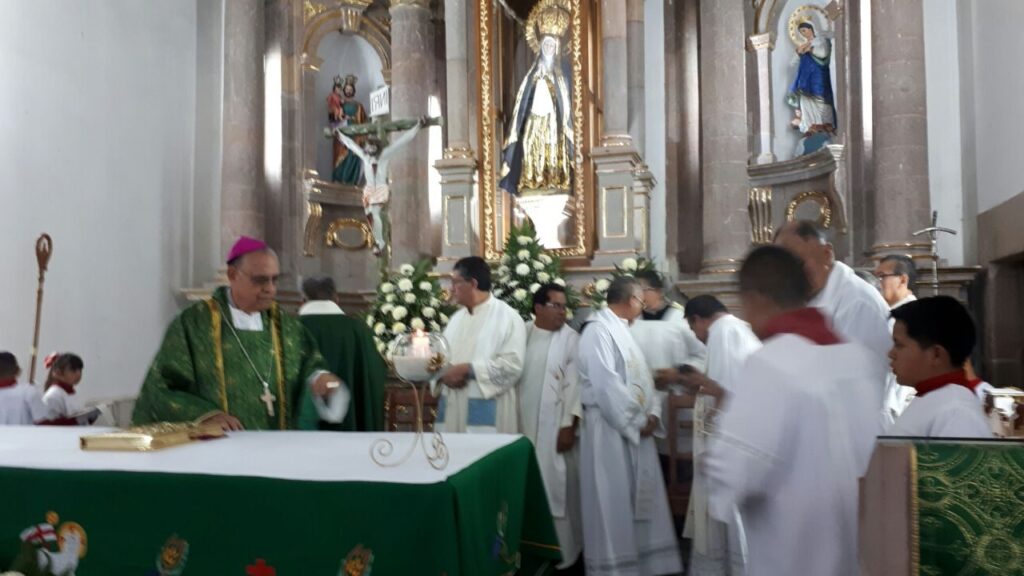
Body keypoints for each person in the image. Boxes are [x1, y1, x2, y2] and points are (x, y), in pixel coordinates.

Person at [704, 246, 882, 576]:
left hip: (793, 551)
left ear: (754, 297)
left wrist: (714, 466)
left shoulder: (771, 363)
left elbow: (737, 470)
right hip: (854, 547)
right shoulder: (859, 360)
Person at [132, 236, 349, 431]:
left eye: (275, 279)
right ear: (232, 275)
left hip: (278, 450)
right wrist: (205, 415)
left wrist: (322, 380)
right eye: (261, 280)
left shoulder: (287, 328)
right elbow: (161, 386)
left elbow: (310, 367)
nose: (271, 289)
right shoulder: (195, 324)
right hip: (215, 451)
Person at [577, 277, 683, 575]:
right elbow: (605, 384)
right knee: (612, 500)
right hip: (608, 430)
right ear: (630, 300)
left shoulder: (621, 329)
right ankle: (615, 567)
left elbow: (641, 379)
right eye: (640, 300)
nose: (644, 305)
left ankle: (642, 563)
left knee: (635, 500)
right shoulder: (597, 331)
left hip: (632, 428)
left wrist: (652, 414)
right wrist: (637, 422)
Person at [657, 295, 761, 575]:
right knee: (725, 516)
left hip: (735, 443)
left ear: (697, 320)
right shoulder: (735, 329)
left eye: (693, 330)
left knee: (733, 515)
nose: (697, 336)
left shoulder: (723, 332)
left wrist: (718, 449)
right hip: (742, 440)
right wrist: (697, 381)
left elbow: (732, 394)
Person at [775, 220, 892, 421]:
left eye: (799, 264)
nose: (791, 276)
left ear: (826, 253)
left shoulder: (856, 302)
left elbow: (852, 387)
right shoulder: (806, 298)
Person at [518, 283, 583, 571]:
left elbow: (576, 385)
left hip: (555, 426)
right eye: (556, 305)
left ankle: (564, 554)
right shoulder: (520, 333)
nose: (563, 312)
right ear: (538, 308)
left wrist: (570, 425)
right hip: (519, 425)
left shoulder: (572, 339)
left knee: (557, 488)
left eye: (564, 306)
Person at [629, 269, 707, 487]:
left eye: (642, 291)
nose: (638, 297)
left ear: (658, 291)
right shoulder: (631, 323)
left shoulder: (680, 320)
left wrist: (678, 373)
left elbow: (702, 356)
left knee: (677, 471)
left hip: (675, 401)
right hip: (642, 402)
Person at [437, 256, 526, 433]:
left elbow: (512, 366)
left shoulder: (507, 318)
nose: (451, 289)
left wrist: (468, 369)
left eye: (455, 282)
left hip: (489, 407)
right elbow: (439, 358)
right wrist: (442, 376)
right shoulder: (456, 319)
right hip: (453, 404)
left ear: (473, 284)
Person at [887, 297, 991, 438]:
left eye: (899, 345)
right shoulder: (937, 399)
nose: (891, 354)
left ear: (936, 354)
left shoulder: (956, 412)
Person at [499, 2, 574, 197]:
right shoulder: (532, 72)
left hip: (552, 120)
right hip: (534, 116)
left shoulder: (558, 74)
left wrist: (549, 81)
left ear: (557, 48)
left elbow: (564, 102)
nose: (549, 48)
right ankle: (532, 178)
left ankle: (552, 177)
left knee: (551, 144)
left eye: (552, 45)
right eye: (546, 44)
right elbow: (522, 101)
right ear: (540, 46)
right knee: (530, 141)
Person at [299, 276, 386, 432]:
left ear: (303, 301)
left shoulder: (293, 328)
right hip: (352, 427)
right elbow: (375, 372)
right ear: (336, 299)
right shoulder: (358, 330)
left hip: (304, 432)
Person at [335, 118, 424, 256]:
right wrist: (340, 135)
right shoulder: (365, 157)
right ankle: (380, 240)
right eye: (368, 147)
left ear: (377, 147)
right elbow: (352, 145)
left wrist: (417, 127)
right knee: (369, 215)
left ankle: (380, 243)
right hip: (369, 189)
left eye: (373, 147)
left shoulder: (385, 155)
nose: (370, 149)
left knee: (376, 214)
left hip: (381, 188)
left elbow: (401, 142)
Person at [874, 254, 919, 420]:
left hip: (899, 402)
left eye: (882, 277)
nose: (877, 284)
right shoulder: (891, 314)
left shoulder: (909, 316)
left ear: (902, 280)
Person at [786, 21, 836, 155]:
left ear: (811, 29)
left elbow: (824, 54)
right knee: (806, 104)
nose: (804, 33)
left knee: (822, 102)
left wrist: (811, 49)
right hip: (805, 81)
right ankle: (810, 128)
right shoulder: (803, 45)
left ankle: (825, 126)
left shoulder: (821, 41)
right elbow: (792, 63)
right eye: (801, 32)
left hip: (819, 78)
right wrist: (798, 52)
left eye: (805, 30)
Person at [327, 74, 367, 185]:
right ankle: (340, 179)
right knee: (341, 155)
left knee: (354, 155)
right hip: (342, 135)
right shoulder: (340, 104)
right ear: (344, 90)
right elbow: (333, 117)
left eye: (350, 89)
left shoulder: (359, 106)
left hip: (355, 135)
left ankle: (351, 181)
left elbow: (364, 121)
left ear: (353, 91)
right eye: (347, 89)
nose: (348, 91)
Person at [41, 352, 97, 425]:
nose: (78, 374)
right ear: (58, 372)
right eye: (73, 370)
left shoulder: (77, 390)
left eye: (80, 370)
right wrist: (75, 420)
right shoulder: (53, 396)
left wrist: (90, 417)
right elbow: (48, 424)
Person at [0, 352, 49, 425]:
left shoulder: (28, 391)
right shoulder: (29, 392)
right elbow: (43, 422)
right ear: (17, 370)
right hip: (24, 435)